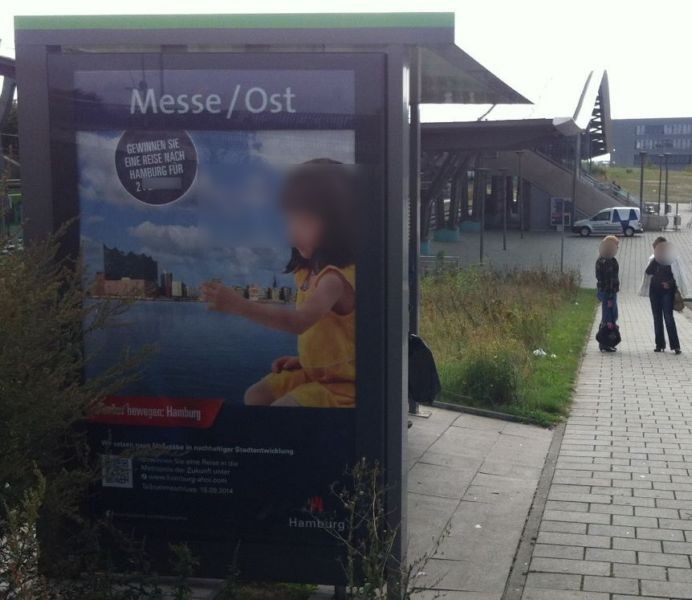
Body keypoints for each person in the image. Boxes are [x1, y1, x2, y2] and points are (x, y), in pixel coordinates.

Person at [201, 159, 356, 408]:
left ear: (338, 223)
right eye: (290, 221)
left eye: (303, 221)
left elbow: (299, 323)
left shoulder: (333, 280)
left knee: (283, 408)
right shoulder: (306, 274)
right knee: (255, 396)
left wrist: (238, 305)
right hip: (319, 373)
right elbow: (326, 336)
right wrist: (307, 361)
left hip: (342, 386)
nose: (292, 234)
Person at [640, 237, 688, 355]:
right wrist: (655, 259)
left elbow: (678, 276)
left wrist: (669, 284)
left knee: (668, 318)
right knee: (657, 319)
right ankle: (659, 344)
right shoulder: (653, 259)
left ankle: (675, 346)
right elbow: (648, 272)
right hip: (654, 292)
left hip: (667, 292)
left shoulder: (673, 259)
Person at [595, 235, 620, 352]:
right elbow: (608, 280)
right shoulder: (607, 262)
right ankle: (605, 341)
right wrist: (610, 298)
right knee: (609, 317)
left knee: (609, 317)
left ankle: (606, 342)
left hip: (606, 291)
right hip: (608, 292)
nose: (617, 248)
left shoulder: (603, 260)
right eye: (616, 245)